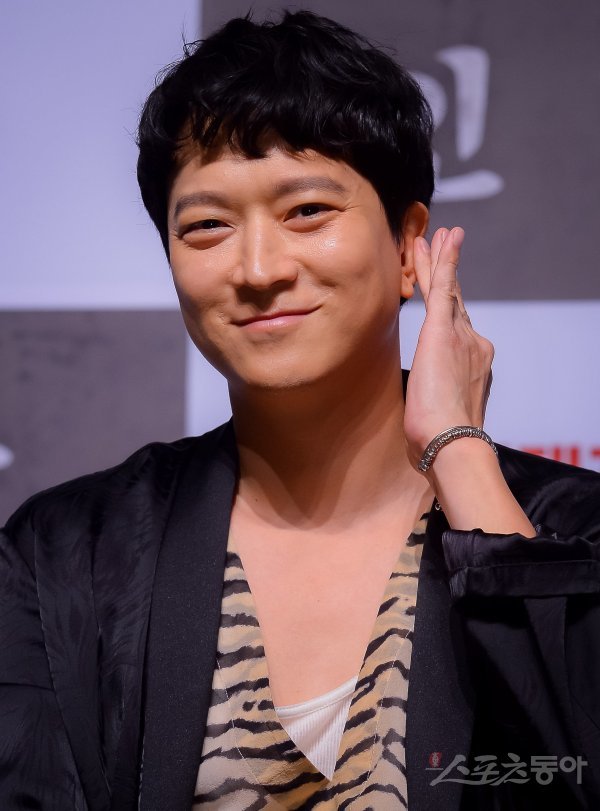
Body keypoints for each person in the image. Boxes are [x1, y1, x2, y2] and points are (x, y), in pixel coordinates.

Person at [1, 9, 599, 811]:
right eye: (206, 225)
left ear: (409, 246)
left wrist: (459, 449)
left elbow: (577, 768)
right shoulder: (66, 553)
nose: (257, 268)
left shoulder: (576, 533)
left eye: (307, 211)